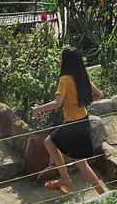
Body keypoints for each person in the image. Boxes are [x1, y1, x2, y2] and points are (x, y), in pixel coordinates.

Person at [31, 47, 107, 195]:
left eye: (61, 59)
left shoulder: (64, 79)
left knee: (49, 143)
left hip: (73, 124)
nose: (59, 61)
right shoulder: (82, 77)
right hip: (83, 121)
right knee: (81, 163)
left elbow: (57, 103)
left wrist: (38, 109)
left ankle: (65, 178)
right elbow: (99, 95)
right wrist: (81, 101)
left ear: (66, 62)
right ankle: (102, 193)